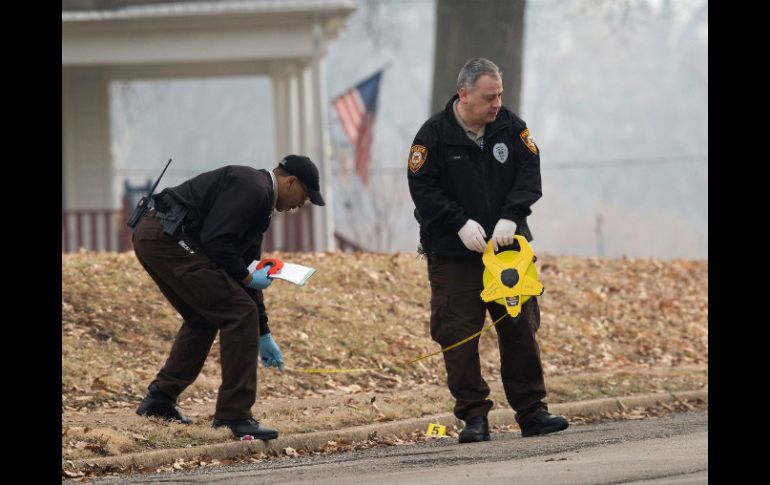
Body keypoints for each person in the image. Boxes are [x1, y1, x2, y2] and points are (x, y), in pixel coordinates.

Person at [407, 58, 568, 443]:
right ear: (464, 94)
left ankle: (532, 412)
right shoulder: (433, 136)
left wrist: (512, 216)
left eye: (499, 95)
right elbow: (423, 190)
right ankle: (474, 417)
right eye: (488, 97)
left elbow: (531, 174)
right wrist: (458, 223)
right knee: (458, 334)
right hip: (454, 254)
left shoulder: (511, 128)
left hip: (508, 251)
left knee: (520, 329)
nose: (496, 104)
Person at [132, 155, 325, 439]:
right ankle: (234, 417)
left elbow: (247, 267)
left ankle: (160, 399)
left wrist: (263, 331)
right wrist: (247, 279)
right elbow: (217, 241)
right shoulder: (255, 189)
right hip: (167, 238)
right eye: (304, 196)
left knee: (205, 316)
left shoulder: (260, 203)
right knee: (238, 311)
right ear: (290, 181)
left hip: (158, 237)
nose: (300, 205)